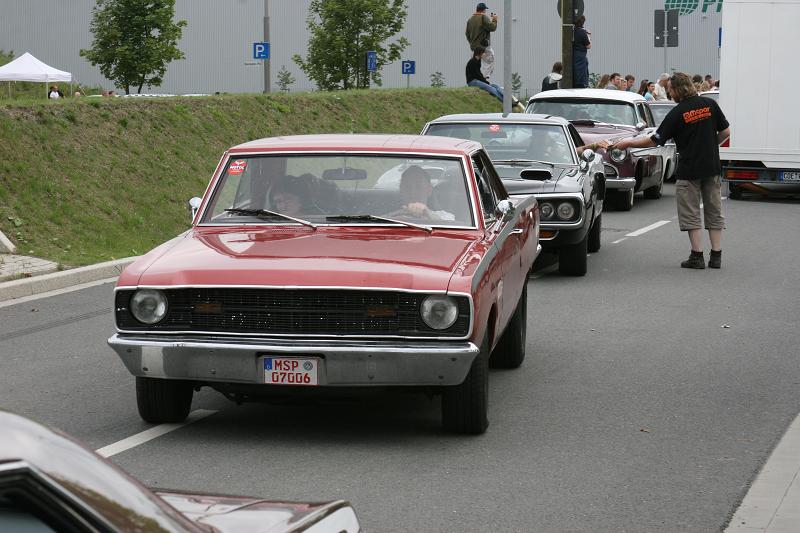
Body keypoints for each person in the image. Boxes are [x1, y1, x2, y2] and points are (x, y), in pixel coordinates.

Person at [610, 73, 730, 269]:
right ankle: (716, 256)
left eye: (670, 90)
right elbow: (725, 132)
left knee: (691, 212)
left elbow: (655, 140)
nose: (669, 93)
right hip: (712, 167)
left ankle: (697, 256)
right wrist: (710, 146)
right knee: (714, 210)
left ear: (677, 89)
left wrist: (628, 143)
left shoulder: (677, 113)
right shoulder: (710, 104)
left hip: (689, 169)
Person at [465, 2, 497, 81]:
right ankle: (485, 78)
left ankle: (476, 78)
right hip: (483, 46)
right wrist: (494, 20)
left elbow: (467, 33)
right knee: (491, 61)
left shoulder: (470, 19)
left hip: (474, 47)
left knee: (476, 63)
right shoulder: (483, 17)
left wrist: (471, 42)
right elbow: (492, 28)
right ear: (483, 10)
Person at [572, 15, 591, 88]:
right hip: (581, 57)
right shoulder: (582, 32)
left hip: (573, 56)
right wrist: (588, 35)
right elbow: (588, 46)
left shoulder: (571, 31)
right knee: (581, 78)